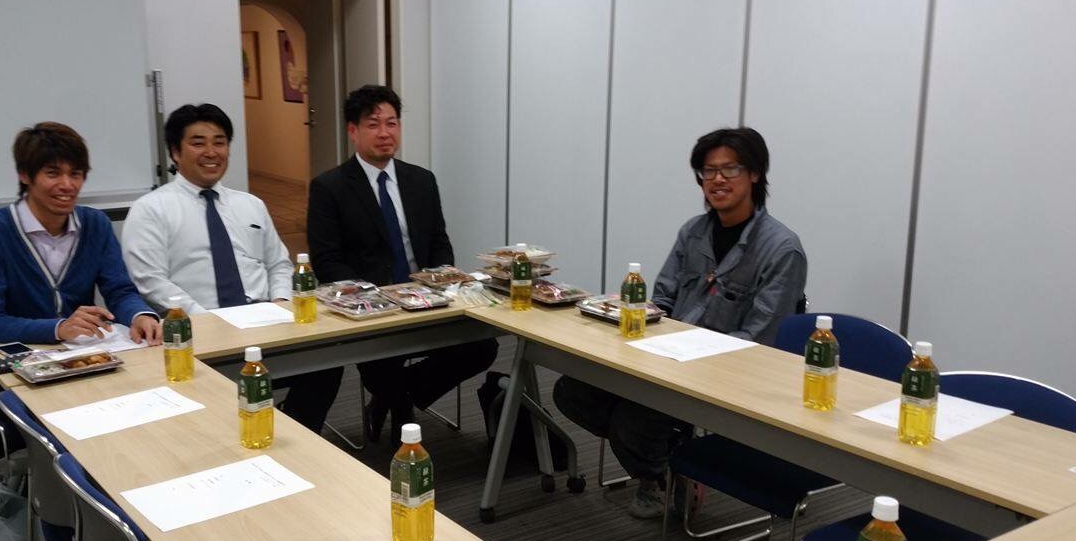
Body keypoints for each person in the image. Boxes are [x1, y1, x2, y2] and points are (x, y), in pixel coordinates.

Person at [554, 127, 807, 518]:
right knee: (573, 391)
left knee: (633, 420)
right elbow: (663, 298)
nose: (717, 180)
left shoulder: (781, 249)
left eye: (730, 169)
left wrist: (688, 354)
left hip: (726, 372)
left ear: (755, 174)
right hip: (665, 358)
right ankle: (669, 462)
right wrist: (634, 317)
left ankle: (655, 473)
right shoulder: (694, 232)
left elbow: (761, 337)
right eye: (708, 171)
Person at [121, 103, 342, 432]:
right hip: (200, 332)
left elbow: (278, 264)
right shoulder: (150, 210)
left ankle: (294, 430)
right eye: (198, 143)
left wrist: (281, 302)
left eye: (220, 142)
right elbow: (151, 280)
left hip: (265, 323)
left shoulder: (250, 204)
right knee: (207, 402)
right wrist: (207, 320)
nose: (211, 152)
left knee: (326, 361)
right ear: (175, 152)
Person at [307, 84, 499, 445]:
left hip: (427, 301)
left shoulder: (421, 180)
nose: (385, 133)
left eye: (391, 123)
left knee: (482, 346)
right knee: (382, 363)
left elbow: (439, 243)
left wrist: (441, 280)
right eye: (373, 124)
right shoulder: (330, 187)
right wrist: (374, 297)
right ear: (353, 131)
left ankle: (401, 398)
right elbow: (327, 261)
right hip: (372, 310)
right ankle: (401, 411)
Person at [0, 122, 160, 345]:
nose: (67, 185)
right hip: (22, 357)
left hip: (84, 354)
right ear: (25, 175)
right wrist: (58, 328)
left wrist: (140, 315)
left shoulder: (95, 224)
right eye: (53, 173)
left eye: (75, 174)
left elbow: (120, 291)